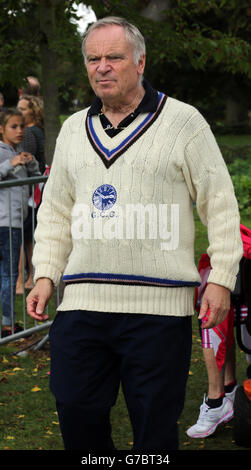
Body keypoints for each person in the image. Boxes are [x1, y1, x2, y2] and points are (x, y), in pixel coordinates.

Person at [27, 17, 243, 451]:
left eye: (114, 57)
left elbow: (219, 204)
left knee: (154, 428)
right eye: (93, 59)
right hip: (84, 303)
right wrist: (47, 273)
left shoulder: (184, 122)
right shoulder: (72, 129)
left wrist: (221, 278)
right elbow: (55, 211)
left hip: (159, 311)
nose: (102, 67)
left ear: (140, 62)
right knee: (76, 410)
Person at [0, 109, 40, 337]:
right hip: (5, 223)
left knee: (8, 273)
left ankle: (7, 322)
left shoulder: (17, 151)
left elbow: (32, 175)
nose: (19, 131)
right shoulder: (2, 152)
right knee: (8, 275)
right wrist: (10, 163)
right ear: (1, 129)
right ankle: (8, 325)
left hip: (15, 222)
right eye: (13, 127)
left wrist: (30, 162)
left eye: (21, 126)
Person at [15, 94, 46, 293]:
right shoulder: (38, 130)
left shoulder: (28, 132)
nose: (19, 112)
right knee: (29, 236)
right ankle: (31, 276)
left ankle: (24, 278)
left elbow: (27, 158)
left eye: (23, 108)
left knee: (24, 236)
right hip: (37, 186)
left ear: (32, 110)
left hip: (31, 189)